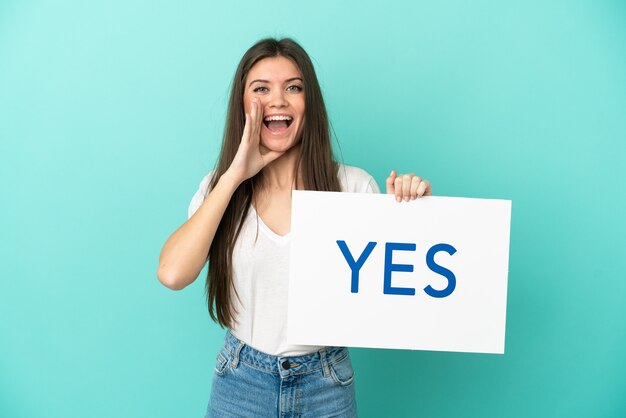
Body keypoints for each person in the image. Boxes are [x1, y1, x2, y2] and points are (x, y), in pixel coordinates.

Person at [157, 37, 432, 418]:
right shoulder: (219, 188)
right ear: (242, 105)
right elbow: (172, 273)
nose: (279, 100)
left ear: (309, 103)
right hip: (241, 381)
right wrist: (236, 174)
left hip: (326, 382)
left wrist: (407, 210)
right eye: (261, 89)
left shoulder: (353, 187)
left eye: (293, 87)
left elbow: (400, 288)